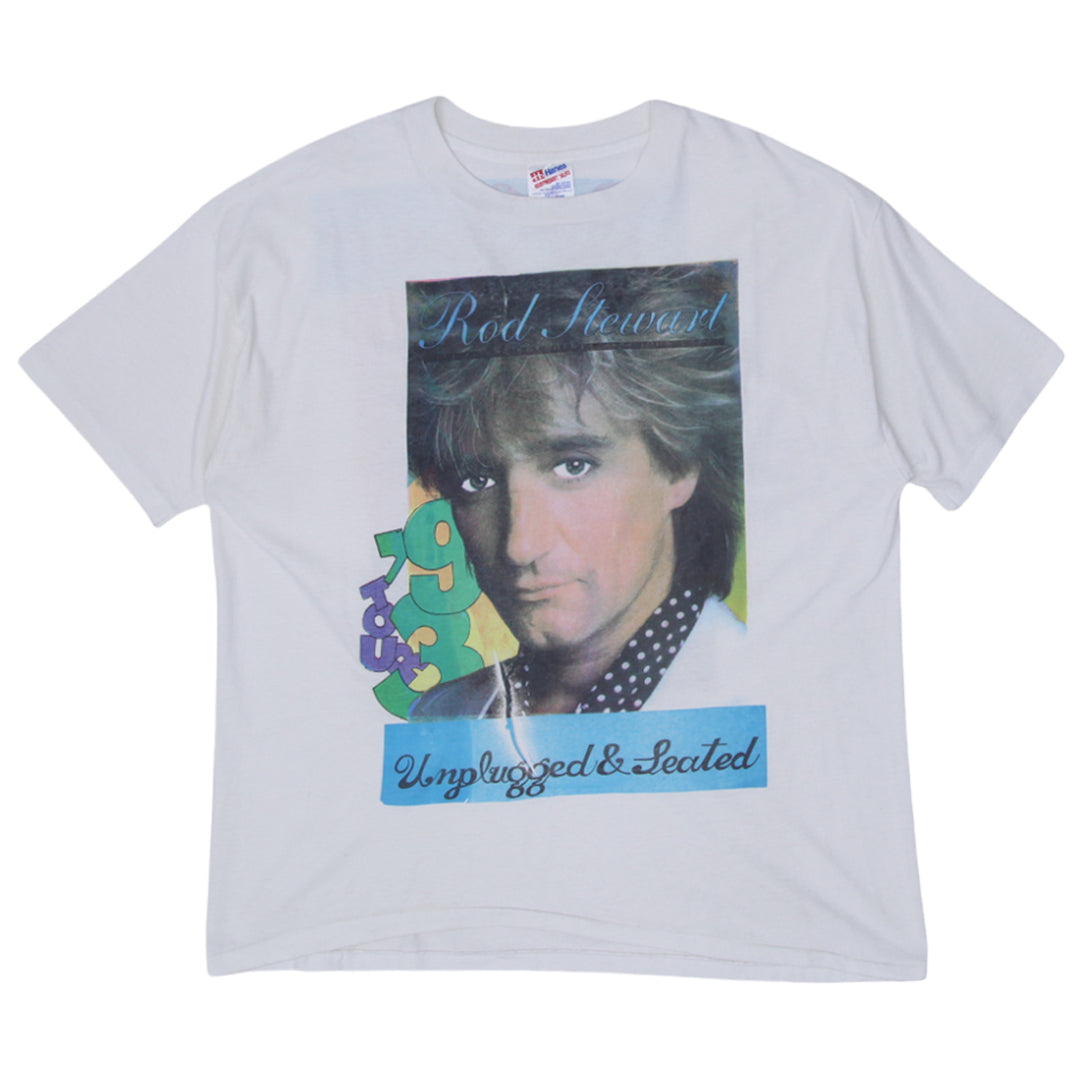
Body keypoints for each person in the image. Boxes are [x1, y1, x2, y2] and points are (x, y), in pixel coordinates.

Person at [406, 263, 744, 719]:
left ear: (678, 466)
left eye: (573, 466)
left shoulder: (757, 692)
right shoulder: (438, 714)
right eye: (477, 481)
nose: (520, 546)